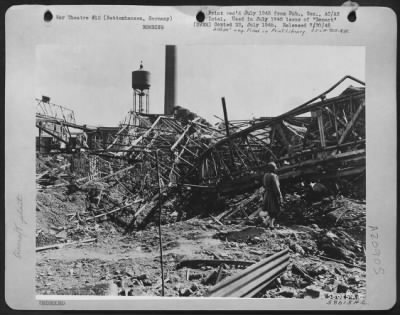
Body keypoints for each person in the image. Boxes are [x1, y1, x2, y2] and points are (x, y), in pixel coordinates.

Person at [260, 162, 283, 229]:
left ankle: (269, 224)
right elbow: (276, 188)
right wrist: (279, 196)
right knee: (275, 210)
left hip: (267, 194)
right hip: (273, 195)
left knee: (270, 210)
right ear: (273, 168)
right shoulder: (273, 176)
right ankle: (267, 223)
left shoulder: (265, 175)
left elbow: (264, 185)